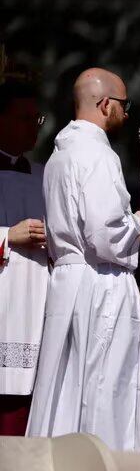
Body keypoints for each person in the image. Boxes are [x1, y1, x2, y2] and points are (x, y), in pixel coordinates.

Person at [26, 68, 140, 451]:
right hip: (99, 284)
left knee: (65, 387)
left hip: (67, 281)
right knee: (103, 388)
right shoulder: (98, 154)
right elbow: (103, 235)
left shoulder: (57, 156)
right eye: (124, 105)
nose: (127, 114)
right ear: (105, 104)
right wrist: (137, 225)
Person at [0, 59, 49, 435]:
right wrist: (6, 236)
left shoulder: (44, 175)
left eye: (37, 118)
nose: (33, 127)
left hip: (32, 304)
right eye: (23, 117)